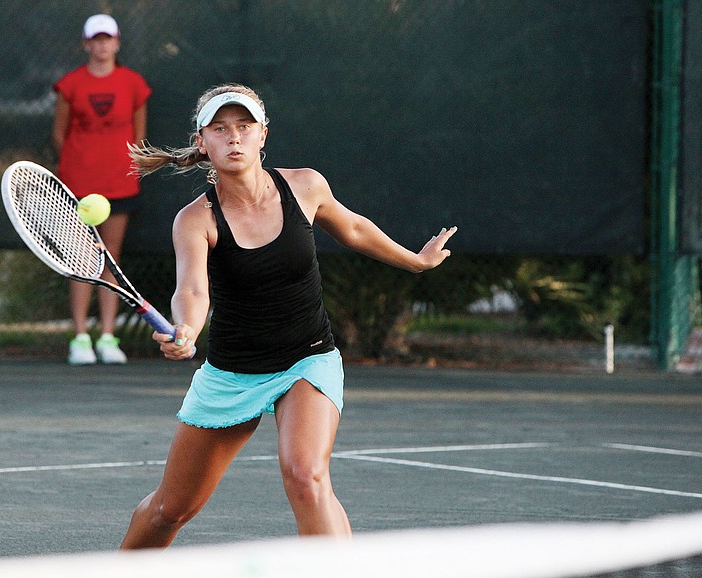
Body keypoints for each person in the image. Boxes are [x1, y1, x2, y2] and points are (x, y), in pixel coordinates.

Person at [119, 84, 457, 548]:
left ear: (263, 136)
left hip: (307, 357)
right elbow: (193, 289)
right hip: (232, 373)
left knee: (306, 475)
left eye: (244, 127)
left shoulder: (305, 185)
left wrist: (416, 261)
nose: (233, 138)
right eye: (220, 129)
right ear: (203, 142)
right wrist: (187, 329)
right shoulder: (195, 219)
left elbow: (353, 228)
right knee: (169, 510)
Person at [52, 13, 152, 365]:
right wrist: (78, 167)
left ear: (117, 43)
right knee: (81, 260)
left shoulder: (133, 84)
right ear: (86, 44)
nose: (101, 44)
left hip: (118, 182)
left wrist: (123, 168)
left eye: (107, 38)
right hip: (76, 184)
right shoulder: (70, 85)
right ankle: (80, 338)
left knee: (111, 257)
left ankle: (108, 337)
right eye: (95, 39)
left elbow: (138, 135)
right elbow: (59, 134)